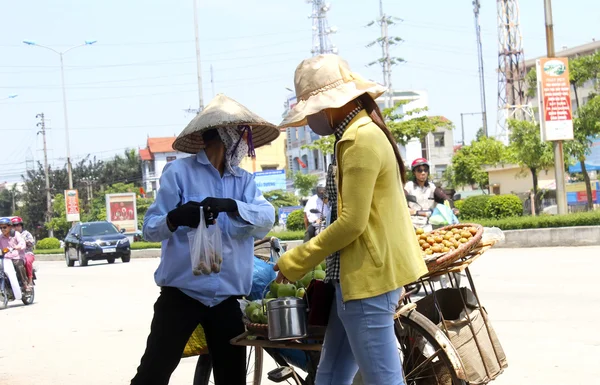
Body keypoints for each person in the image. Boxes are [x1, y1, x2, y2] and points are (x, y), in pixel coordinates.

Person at [273, 54, 428, 385]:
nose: (311, 121)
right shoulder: (354, 136)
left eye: (312, 111)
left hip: (366, 281)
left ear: (329, 106)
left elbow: (352, 222)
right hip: (353, 280)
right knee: (329, 376)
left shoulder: (359, 139)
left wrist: (296, 260)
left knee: (383, 379)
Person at [130, 94, 277, 385]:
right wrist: (175, 218)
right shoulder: (179, 173)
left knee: (232, 379)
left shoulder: (244, 181)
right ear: (226, 136)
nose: (245, 145)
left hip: (226, 299)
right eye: (240, 136)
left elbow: (266, 219)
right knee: (153, 374)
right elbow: (150, 229)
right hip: (182, 294)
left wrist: (232, 206)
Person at [404, 158, 458, 227]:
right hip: (413, 222)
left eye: (425, 170)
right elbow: (401, 204)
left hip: (430, 222)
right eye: (419, 170)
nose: (423, 173)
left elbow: (444, 197)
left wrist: (452, 207)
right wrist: (415, 212)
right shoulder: (408, 186)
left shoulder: (432, 187)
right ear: (414, 172)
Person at [0, 217, 27, 299]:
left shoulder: (16, 234)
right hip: (5, 259)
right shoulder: (0, 237)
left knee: (17, 265)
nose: (2, 229)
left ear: (10, 227)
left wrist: (17, 247)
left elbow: (22, 243)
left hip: (17, 256)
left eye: (4, 227)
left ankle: (24, 284)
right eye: (0, 228)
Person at [11, 216, 35, 289]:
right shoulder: (8, 235)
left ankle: (30, 281)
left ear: (21, 225)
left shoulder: (26, 234)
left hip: (27, 253)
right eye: (14, 225)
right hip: (13, 254)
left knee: (27, 261)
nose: (16, 227)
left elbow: (32, 242)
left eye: (18, 225)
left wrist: (25, 242)